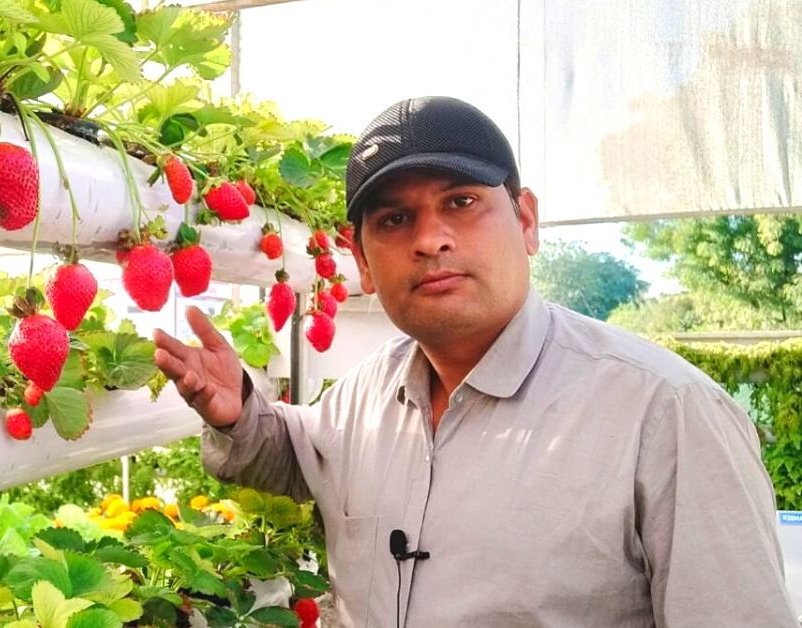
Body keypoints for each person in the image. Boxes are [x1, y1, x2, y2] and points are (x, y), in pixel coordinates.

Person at [152, 96, 797, 627]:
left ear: (526, 221)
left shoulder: (667, 415)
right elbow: (300, 454)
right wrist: (241, 411)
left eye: (461, 201)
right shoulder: (362, 396)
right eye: (395, 218)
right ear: (361, 264)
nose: (430, 239)